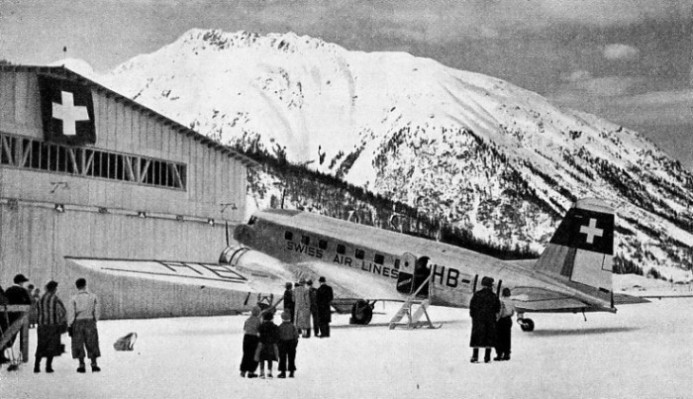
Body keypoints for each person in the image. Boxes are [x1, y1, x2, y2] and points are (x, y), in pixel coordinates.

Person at [67, 278, 101, 373]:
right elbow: (97, 310)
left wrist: (70, 324)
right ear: (85, 285)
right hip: (90, 321)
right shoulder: (93, 297)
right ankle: (94, 364)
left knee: (78, 343)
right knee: (92, 342)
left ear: (77, 286)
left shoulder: (73, 298)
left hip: (77, 322)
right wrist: (94, 319)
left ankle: (81, 364)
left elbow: (71, 313)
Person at [34, 280, 67, 373]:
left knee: (40, 345)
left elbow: (37, 311)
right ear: (54, 289)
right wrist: (61, 321)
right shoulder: (55, 299)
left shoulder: (40, 298)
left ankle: (37, 366)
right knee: (51, 346)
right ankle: (48, 367)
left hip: (41, 325)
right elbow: (62, 312)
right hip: (53, 326)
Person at [4, 273, 32, 371]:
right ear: (20, 282)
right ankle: (20, 356)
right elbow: (29, 303)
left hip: (7, 315)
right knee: (15, 335)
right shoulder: (22, 291)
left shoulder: (8, 290)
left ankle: (3, 353)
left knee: (5, 334)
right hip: (19, 316)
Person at [469, 276, 500, 363]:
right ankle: (487, 357)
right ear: (490, 285)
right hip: (490, 320)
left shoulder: (477, 294)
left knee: (476, 337)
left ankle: (475, 357)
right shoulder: (494, 296)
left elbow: (472, 307)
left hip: (478, 319)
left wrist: (474, 317)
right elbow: (497, 308)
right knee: (489, 337)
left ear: (482, 284)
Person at [256, 311, 280, 378]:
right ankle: (269, 372)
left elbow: (258, 335)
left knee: (262, 359)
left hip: (262, 344)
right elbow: (277, 336)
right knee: (270, 359)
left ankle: (262, 372)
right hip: (271, 345)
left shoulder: (261, 327)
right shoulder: (275, 326)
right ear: (272, 318)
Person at [240, 306, 261, 378]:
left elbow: (244, 328)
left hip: (246, 337)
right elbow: (259, 329)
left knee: (246, 355)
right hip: (254, 338)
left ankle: (243, 371)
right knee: (254, 355)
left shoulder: (247, 320)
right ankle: (251, 371)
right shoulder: (258, 320)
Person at [494, 288, 515, 361]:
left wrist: (496, 320)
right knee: (507, 338)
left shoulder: (501, 301)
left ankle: (499, 354)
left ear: (503, 293)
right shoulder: (511, 301)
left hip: (501, 321)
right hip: (508, 320)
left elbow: (500, 312)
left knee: (499, 338)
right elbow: (513, 312)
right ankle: (507, 354)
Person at [277, 311, 299, 378]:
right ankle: (291, 372)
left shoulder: (280, 326)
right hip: (291, 343)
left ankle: (283, 372)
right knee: (291, 358)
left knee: (282, 358)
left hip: (282, 343)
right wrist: (295, 343)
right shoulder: (293, 326)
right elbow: (296, 335)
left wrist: (278, 344)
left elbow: (278, 336)